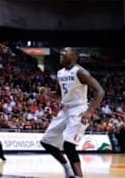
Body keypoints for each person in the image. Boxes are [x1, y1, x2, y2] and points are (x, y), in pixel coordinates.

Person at [40, 47, 105, 178]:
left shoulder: (80, 72)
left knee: (69, 145)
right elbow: (59, 95)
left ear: (74, 56)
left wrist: (89, 111)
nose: (61, 54)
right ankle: (67, 169)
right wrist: (47, 93)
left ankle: (78, 176)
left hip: (79, 110)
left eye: (65, 53)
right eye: (61, 52)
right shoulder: (60, 73)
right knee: (46, 142)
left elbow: (100, 91)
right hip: (66, 110)